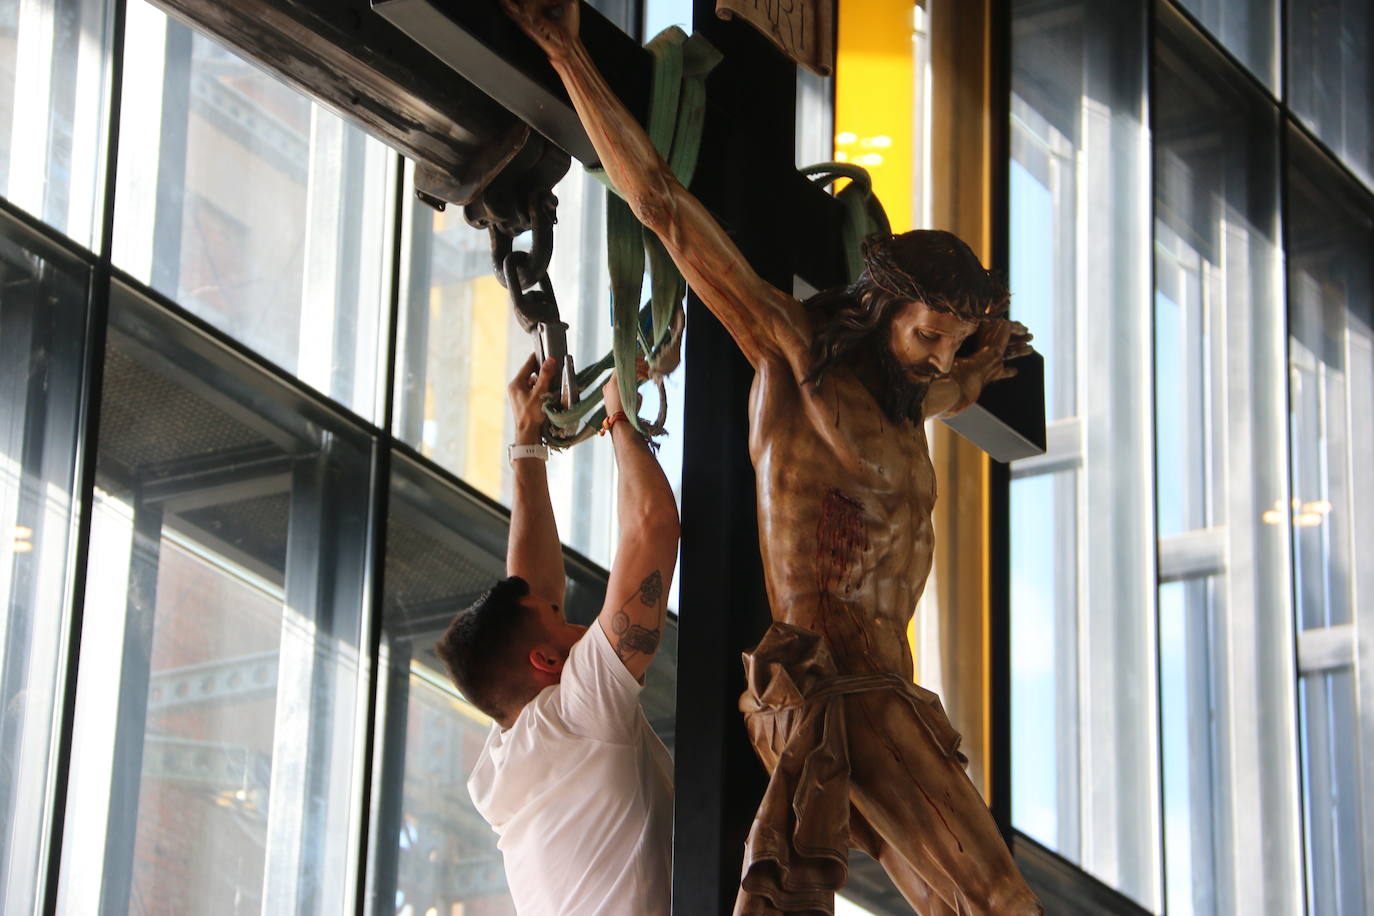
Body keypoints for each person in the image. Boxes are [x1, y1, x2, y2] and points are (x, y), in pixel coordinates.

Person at [503, 2, 1043, 913]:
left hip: (892, 689)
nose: (943, 357)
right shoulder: (800, 360)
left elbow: (966, 376)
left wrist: (982, 353)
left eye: (958, 341)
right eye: (930, 333)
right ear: (882, 306)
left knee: (965, 907)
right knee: (999, 902)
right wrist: (566, 49)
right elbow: (664, 212)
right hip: (831, 679)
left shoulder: (919, 393)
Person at [434, 355, 680, 916]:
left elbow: (532, 586)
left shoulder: (509, 761)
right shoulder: (577, 715)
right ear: (544, 659)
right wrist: (617, 414)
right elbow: (653, 526)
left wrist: (528, 444)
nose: (577, 622)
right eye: (560, 617)